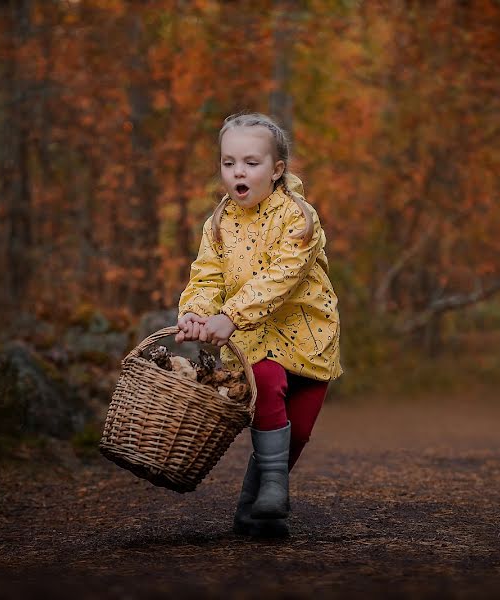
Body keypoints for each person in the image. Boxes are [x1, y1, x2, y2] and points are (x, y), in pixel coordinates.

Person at [175, 112, 342, 538]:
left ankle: (252, 513)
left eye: (251, 162)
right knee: (266, 386)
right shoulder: (217, 224)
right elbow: (207, 276)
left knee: (297, 431)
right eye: (229, 163)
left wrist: (229, 315)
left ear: (277, 170)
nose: (238, 172)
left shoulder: (300, 219)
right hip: (255, 339)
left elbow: (281, 278)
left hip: (310, 338)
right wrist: (196, 312)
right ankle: (273, 493)